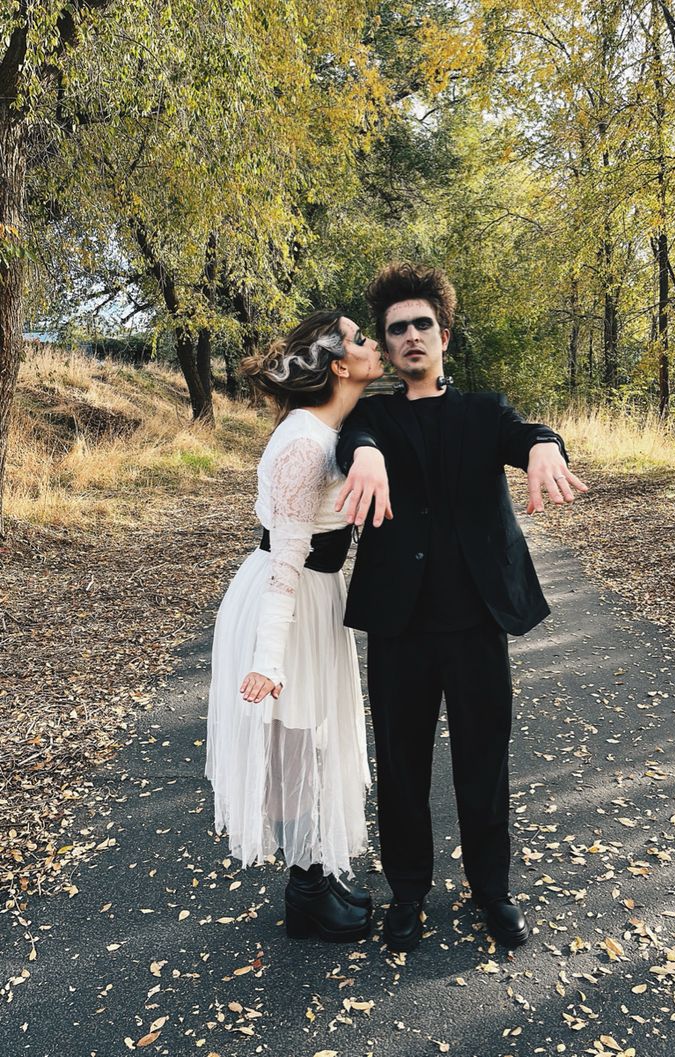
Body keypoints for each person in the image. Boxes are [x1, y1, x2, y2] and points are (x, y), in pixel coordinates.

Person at [335, 263, 588, 953]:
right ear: (385, 349)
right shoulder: (372, 416)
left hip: (476, 622)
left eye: (421, 324)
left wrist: (543, 445)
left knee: (484, 764)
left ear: (442, 336)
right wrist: (363, 456)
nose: (410, 336)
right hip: (400, 626)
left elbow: (527, 431)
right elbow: (348, 439)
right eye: (396, 330)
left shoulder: (483, 411)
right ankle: (408, 893)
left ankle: (491, 890)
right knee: (402, 765)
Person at [205, 310, 383, 943]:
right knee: (299, 740)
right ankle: (304, 895)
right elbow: (285, 561)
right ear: (339, 364)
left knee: (317, 740)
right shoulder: (304, 443)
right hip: (290, 599)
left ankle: (316, 870)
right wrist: (269, 658)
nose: (373, 344)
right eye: (361, 339)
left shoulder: (329, 427)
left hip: (317, 594)